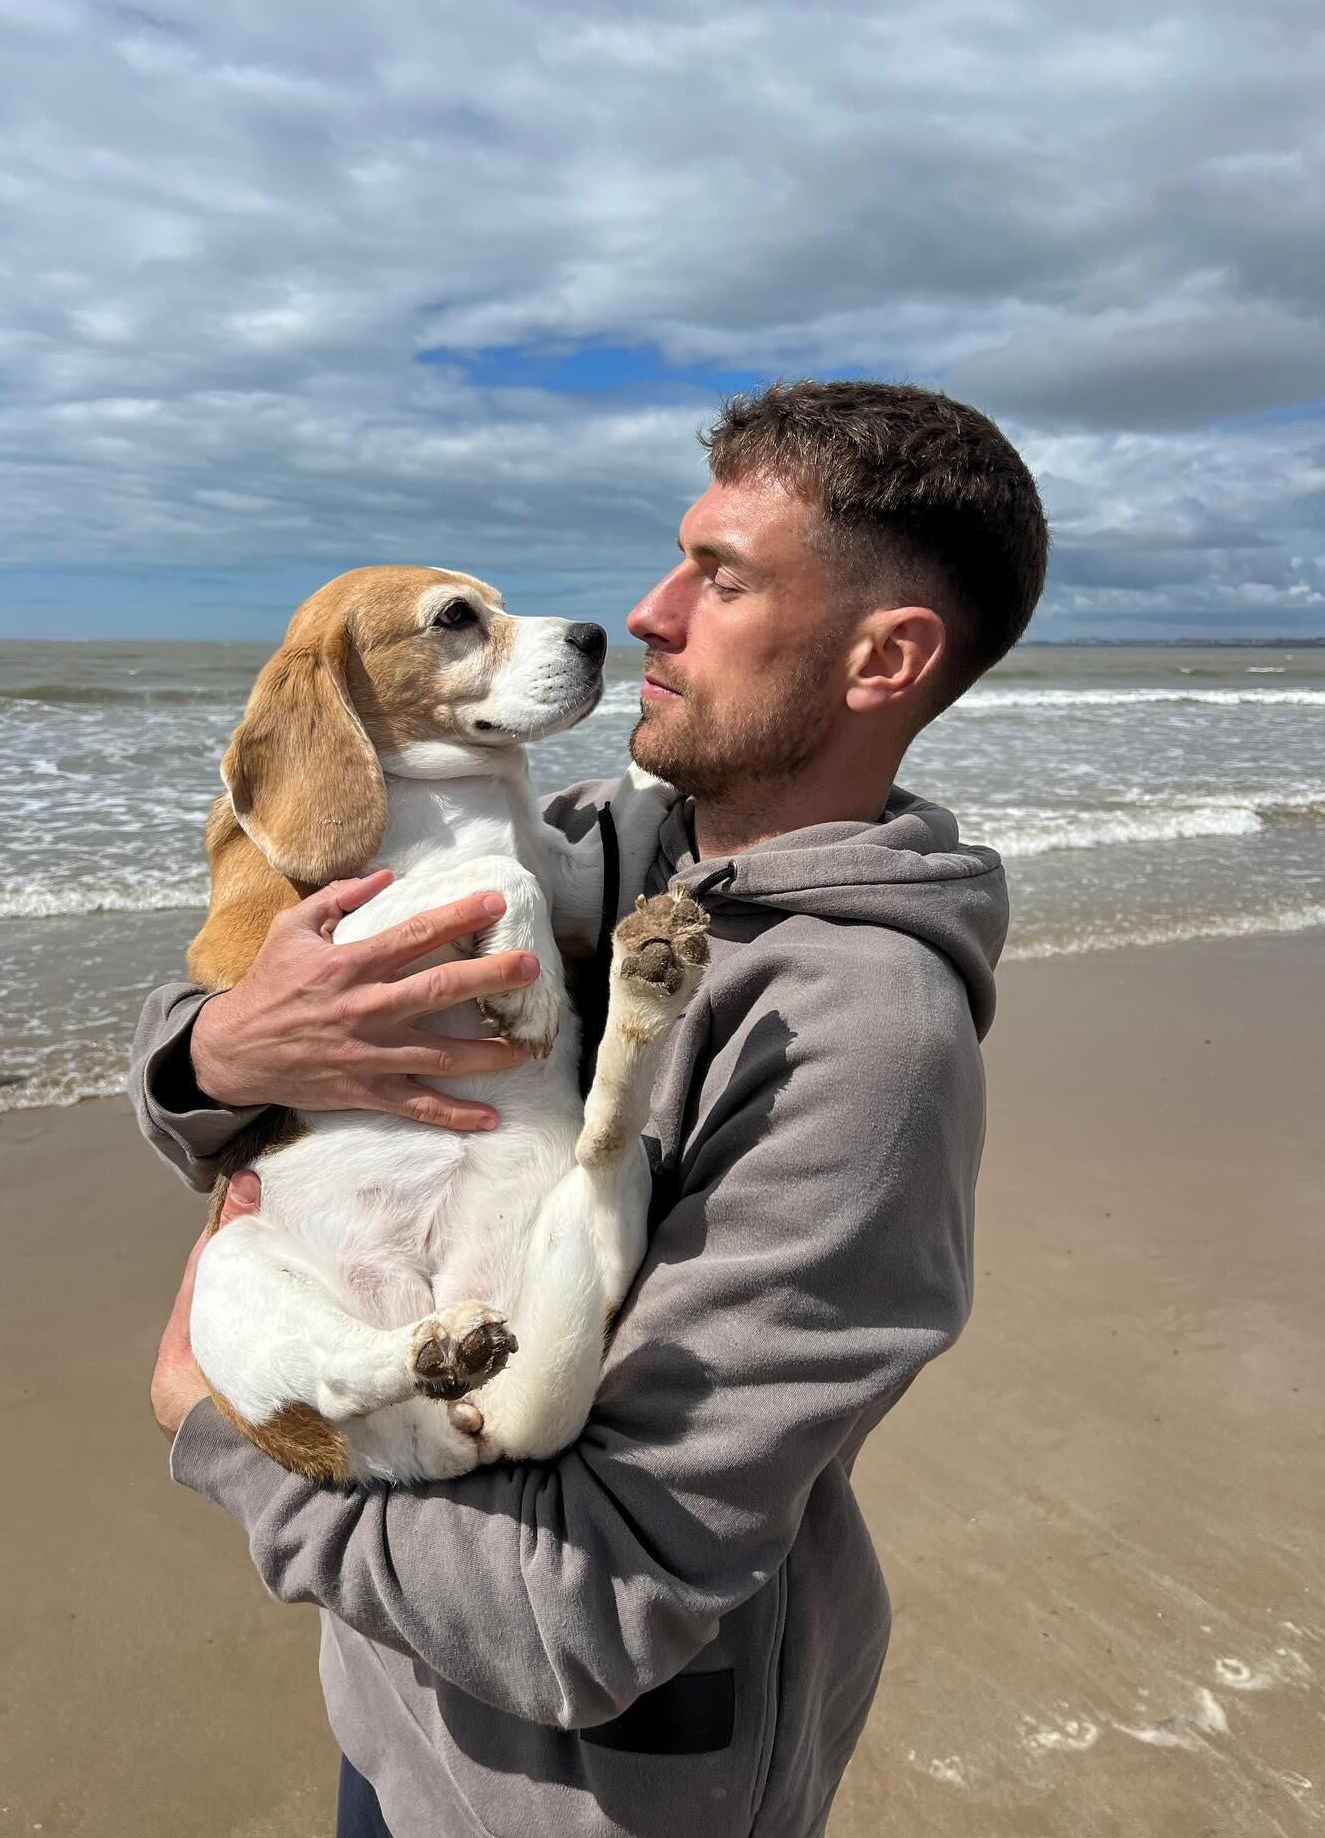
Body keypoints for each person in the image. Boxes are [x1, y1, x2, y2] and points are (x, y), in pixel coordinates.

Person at [133, 380, 1048, 1838]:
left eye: (720, 577)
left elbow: (587, 1613)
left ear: (887, 657)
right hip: (389, 1706)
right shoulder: (588, 851)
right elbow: (234, 990)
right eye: (676, 557)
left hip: (585, 1801)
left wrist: (224, 1430)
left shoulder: (868, 1045)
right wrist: (224, 1059)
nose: (649, 611)